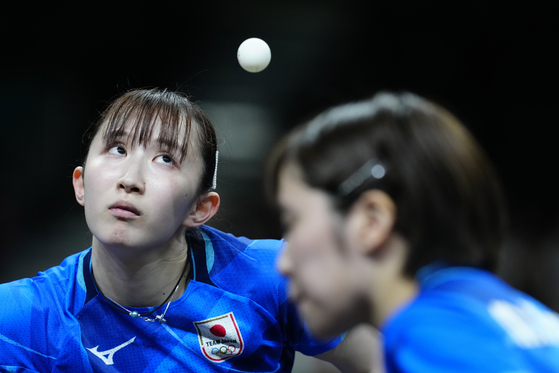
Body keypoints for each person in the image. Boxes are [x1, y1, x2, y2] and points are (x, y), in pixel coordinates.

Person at [0, 88, 381, 372]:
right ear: (81, 184)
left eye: (166, 159)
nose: (130, 179)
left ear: (201, 208)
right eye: (117, 149)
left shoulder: (276, 275)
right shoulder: (23, 318)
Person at [267, 91, 559, 372]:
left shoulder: (429, 334)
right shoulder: (513, 316)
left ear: (372, 222)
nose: (284, 262)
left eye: (293, 221)